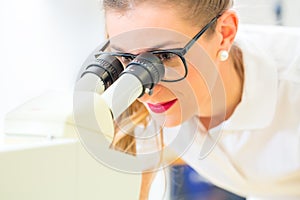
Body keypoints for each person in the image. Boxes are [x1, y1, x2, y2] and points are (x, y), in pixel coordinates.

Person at [99, 0, 300, 199]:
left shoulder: (292, 81)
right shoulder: (137, 102)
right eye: (125, 58)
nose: (144, 92)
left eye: (166, 56)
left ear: (225, 34)